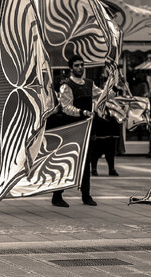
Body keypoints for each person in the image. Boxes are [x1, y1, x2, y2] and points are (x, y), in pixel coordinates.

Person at [51, 55, 102, 207]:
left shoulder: (89, 84)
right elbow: (66, 108)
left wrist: (114, 87)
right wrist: (83, 113)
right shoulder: (66, 85)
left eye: (82, 65)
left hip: (86, 128)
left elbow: (102, 95)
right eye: (77, 65)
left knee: (86, 162)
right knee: (66, 162)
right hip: (72, 128)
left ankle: (86, 195)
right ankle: (57, 196)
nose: (80, 67)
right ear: (71, 68)